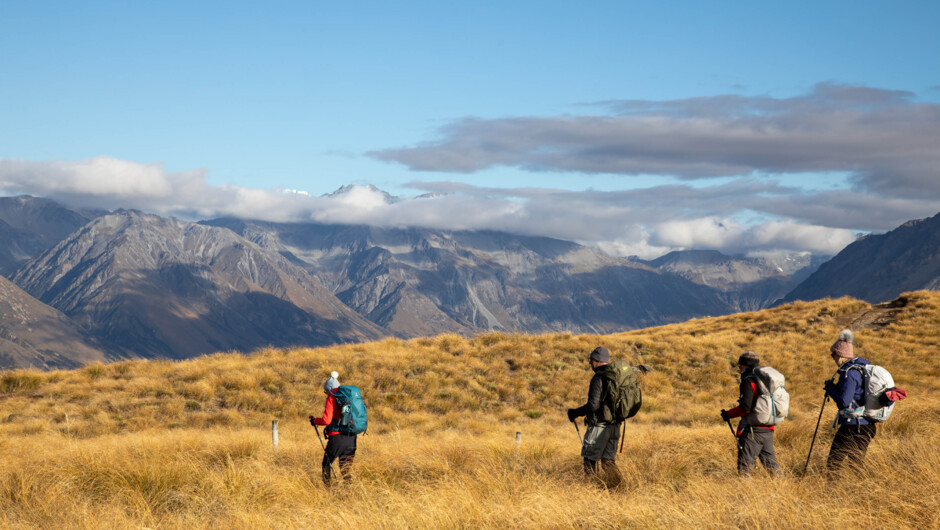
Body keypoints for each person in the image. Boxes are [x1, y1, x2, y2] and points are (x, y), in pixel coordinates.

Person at [566, 346, 624, 488]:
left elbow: (593, 406)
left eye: (591, 360)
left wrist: (574, 413)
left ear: (597, 360)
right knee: (608, 461)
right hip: (615, 426)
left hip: (599, 426)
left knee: (589, 460)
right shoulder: (617, 377)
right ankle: (619, 488)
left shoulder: (598, 378)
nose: (589, 363)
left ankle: (591, 490)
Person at [824, 329, 876, 475]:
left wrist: (831, 389)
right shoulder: (859, 369)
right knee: (856, 465)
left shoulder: (849, 374)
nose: (832, 357)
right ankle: (859, 493)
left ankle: (831, 493)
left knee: (833, 463)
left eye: (833, 354)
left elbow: (844, 402)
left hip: (852, 425)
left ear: (840, 354)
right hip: (866, 425)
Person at [720, 351, 781, 475]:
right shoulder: (765, 380)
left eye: (740, 365)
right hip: (768, 429)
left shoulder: (748, 381)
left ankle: (743, 492)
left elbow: (746, 407)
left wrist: (728, 414)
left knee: (744, 467)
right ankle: (784, 489)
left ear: (746, 365)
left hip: (753, 432)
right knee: (771, 465)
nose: (739, 368)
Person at [309, 371, 356, 487]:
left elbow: (326, 420)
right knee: (345, 468)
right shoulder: (348, 398)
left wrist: (315, 421)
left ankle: (327, 491)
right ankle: (350, 490)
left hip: (337, 437)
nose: (326, 394)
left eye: (326, 391)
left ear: (329, 389)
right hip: (352, 437)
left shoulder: (332, 398)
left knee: (326, 464)